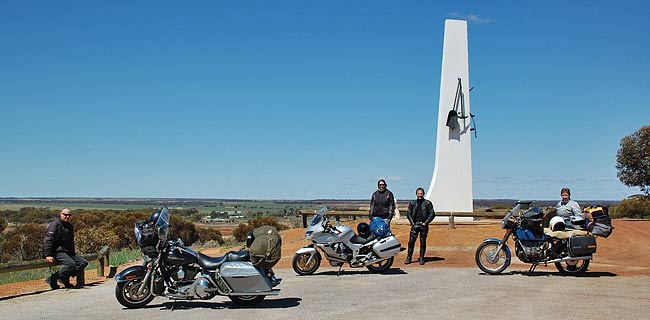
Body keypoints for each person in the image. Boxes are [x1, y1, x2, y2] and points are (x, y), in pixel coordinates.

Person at [43, 208, 88, 289]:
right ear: (60, 214)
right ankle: (53, 278)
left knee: (83, 262)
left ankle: (64, 276)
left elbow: (71, 241)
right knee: (71, 264)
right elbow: (48, 240)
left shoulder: (69, 226)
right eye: (65, 215)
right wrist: (48, 254)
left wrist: (73, 253)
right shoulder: (55, 225)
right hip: (57, 251)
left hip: (67, 252)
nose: (67, 216)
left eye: (69, 215)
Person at [405, 187, 435, 265]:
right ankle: (409, 257)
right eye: (418, 193)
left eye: (421, 193)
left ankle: (421, 258)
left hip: (423, 225)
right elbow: (408, 213)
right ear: (416, 194)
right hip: (415, 224)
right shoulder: (412, 203)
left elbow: (432, 213)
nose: (420, 195)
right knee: (411, 242)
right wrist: (412, 223)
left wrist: (426, 222)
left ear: (423, 194)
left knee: (422, 242)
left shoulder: (427, 203)